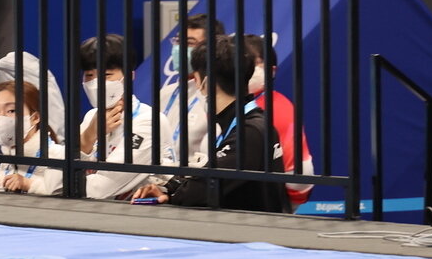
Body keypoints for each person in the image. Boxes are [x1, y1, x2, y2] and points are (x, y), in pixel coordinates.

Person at [131, 35, 291, 213]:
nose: (196, 86)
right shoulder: (247, 122)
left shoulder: (249, 131)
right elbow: (210, 179)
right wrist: (171, 188)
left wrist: (172, 194)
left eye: (196, 79)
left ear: (207, 82)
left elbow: (206, 187)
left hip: (252, 228)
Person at [76, 34, 158, 201]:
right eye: (89, 75)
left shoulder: (149, 121)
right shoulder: (91, 117)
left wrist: (46, 184)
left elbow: (99, 188)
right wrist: (88, 137)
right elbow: (62, 168)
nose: (96, 83)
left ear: (130, 76)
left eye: (106, 75)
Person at [243, 35, 316, 207]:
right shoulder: (230, 102)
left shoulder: (277, 108)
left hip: (266, 203)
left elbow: (300, 177)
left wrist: (281, 205)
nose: (246, 68)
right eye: (241, 61)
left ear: (272, 70)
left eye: (254, 62)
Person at [0, 80, 64, 196]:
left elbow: (66, 192)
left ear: (35, 117)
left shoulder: (57, 155)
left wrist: (29, 184)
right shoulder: (8, 156)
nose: (1, 119)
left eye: (11, 111)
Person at [158, 14, 225, 167]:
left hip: (196, 177)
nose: (179, 49)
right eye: (177, 41)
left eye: (189, 43)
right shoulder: (165, 93)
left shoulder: (220, 96)